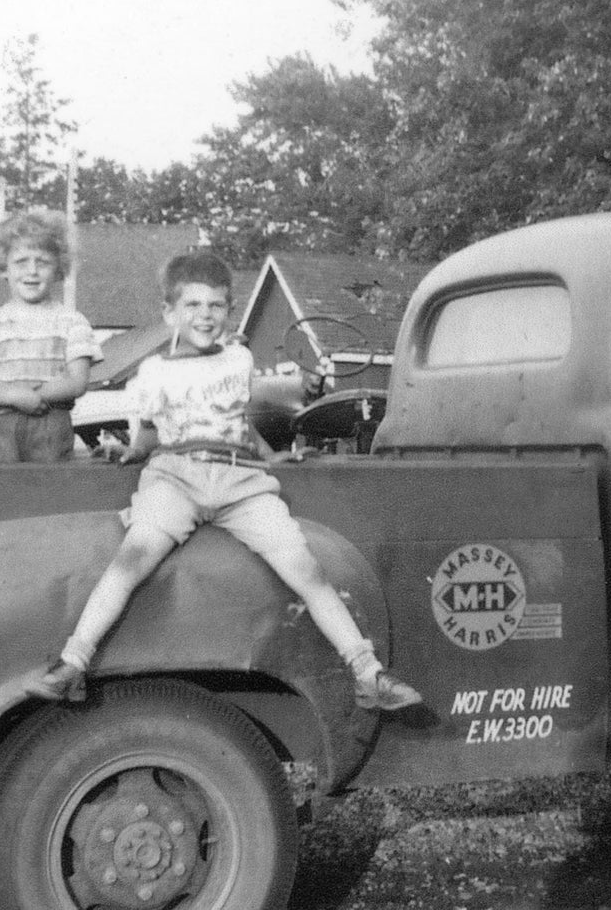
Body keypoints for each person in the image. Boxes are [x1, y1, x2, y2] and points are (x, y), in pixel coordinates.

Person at [26, 250, 423, 710]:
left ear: (229, 311)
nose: (205, 316)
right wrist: (131, 449)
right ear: (169, 312)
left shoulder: (237, 360)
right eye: (192, 306)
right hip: (176, 475)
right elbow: (151, 431)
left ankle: (366, 673)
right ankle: (73, 663)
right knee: (132, 559)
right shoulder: (153, 373)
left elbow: (239, 424)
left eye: (215, 306)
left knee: (305, 568)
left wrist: (275, 456)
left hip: (239, 480)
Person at [0, 210, 100, 463]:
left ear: (59, 269)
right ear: (4, 268)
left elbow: (77, 382)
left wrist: (37, 397)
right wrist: (15, 397)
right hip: (0, 427)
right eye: (21, 261)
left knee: (48, 495)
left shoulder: (73, 322)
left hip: (50, 424)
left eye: (43, 262)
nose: (32, 271)